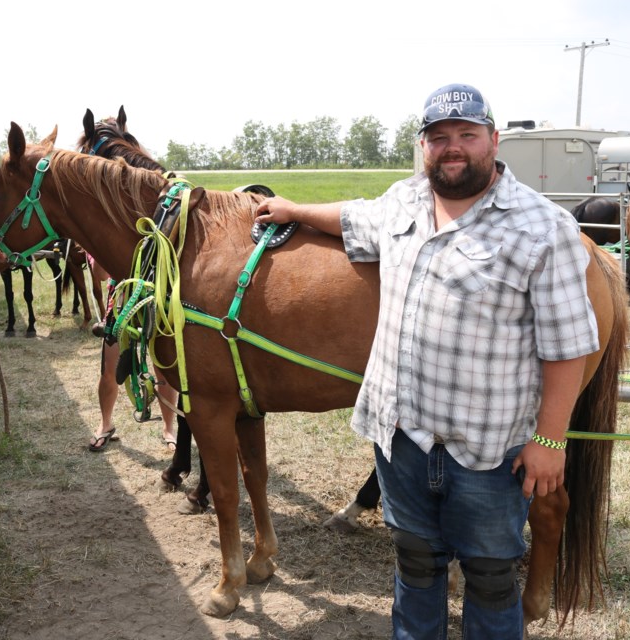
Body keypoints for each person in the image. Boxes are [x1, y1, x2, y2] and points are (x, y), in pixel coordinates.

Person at [254, 83, 599, 639]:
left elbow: (568, 345)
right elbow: (349, 217)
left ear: (493, 138)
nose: (452, 147)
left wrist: (551, 440)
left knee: (489, 579)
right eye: (439, 138)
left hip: (487, 455)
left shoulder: (543, 228)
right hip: (403, 443)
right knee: (414, 568)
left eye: (466, 134)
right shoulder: (404, 202)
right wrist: (292, 208)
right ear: (423, 147)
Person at [87, 258, 178, 453]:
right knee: (108, 370)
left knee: (164, 370)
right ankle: (105, 424)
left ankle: (169, 429)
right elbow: (101, 274)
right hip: (120, 301)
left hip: (156, 297)